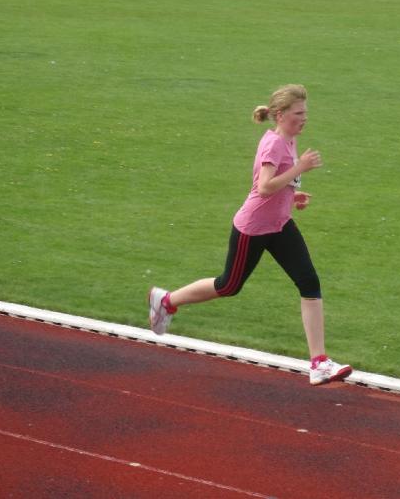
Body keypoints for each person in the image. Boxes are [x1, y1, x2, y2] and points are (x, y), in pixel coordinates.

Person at [147, 84, 353, 387]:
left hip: (279, 224)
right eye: (298, 113)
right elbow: (264, 187)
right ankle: (166, 300)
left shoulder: (289, 138)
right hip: (254, 228)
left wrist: (293, 195)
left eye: (305, 113)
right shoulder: (274, 144)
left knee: (309, 282)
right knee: (228, 285)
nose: (304, 118)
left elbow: (275, 184)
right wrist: (300, 167)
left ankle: (319, 363)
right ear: (281, 115)